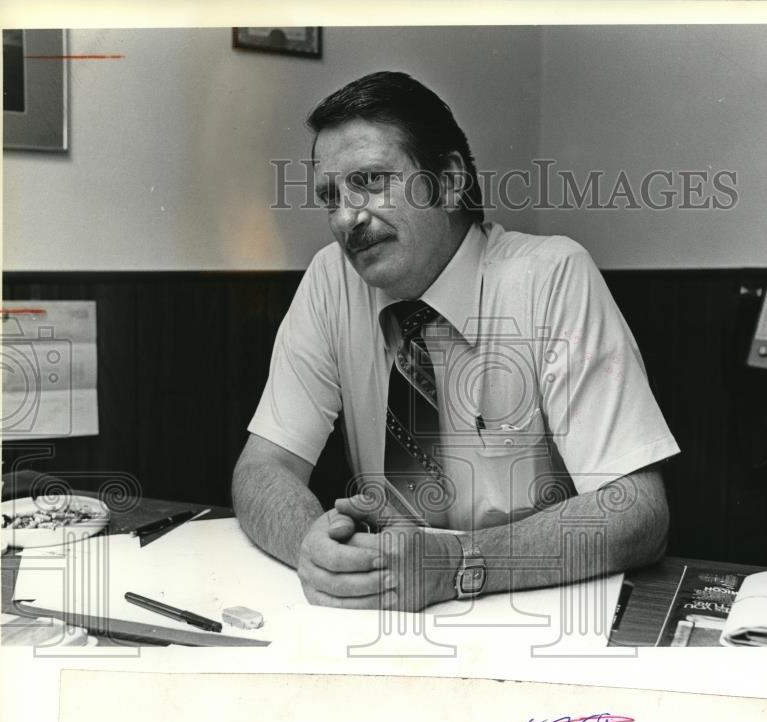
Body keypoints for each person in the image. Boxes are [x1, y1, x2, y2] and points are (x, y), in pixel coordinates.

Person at [233, 71, 679, 612]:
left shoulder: (551, 276)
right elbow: (263, 468)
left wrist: (457, 565)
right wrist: (311, 544)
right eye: (331, 197)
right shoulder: (332, 279)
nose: (347, 219)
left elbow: (638, 511)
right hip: (384, 606)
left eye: (371, 181)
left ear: (447, 181)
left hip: (525, 605)